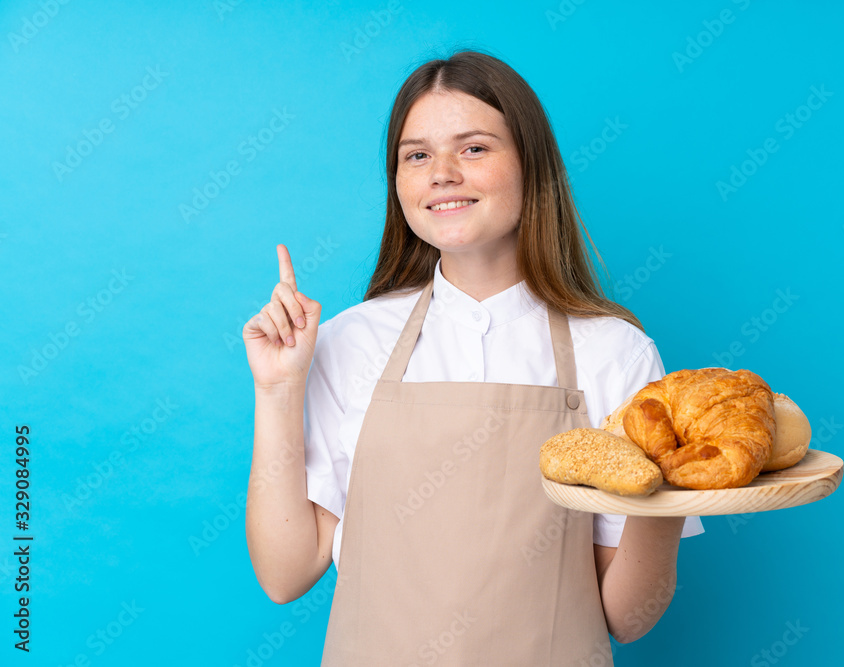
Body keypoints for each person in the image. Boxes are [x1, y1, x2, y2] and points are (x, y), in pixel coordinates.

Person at [244, 49, 705, 665]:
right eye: (417, 155)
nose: (442, 173)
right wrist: (277, 392)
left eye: (474, 148)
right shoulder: (351, 342)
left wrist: (667, 492)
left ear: (531, 166)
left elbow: (628, 618)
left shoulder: (615, 352)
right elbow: (285, 574)